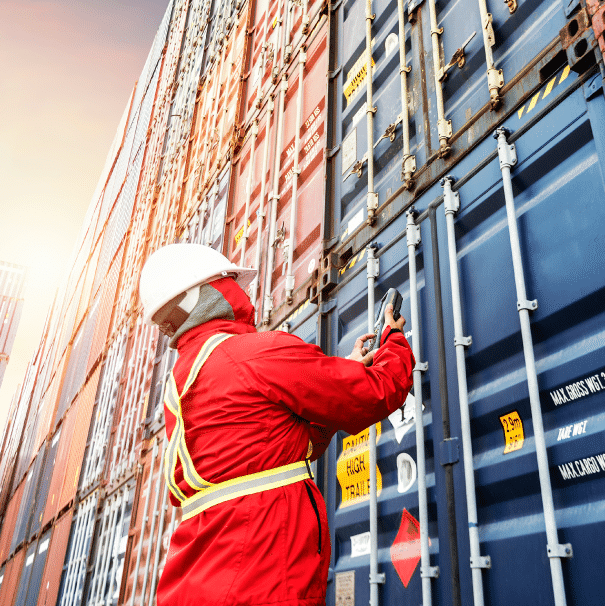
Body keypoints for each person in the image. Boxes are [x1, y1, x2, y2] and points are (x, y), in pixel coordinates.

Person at [139, 243, 415, 606]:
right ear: (205, 294)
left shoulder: (183, 382)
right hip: (259, 574)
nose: (241, 290)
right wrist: (393, 342)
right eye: (230, 281)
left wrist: (344, 371)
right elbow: (374, 395)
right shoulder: (255, 352)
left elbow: (277, 448)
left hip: (201, 576)